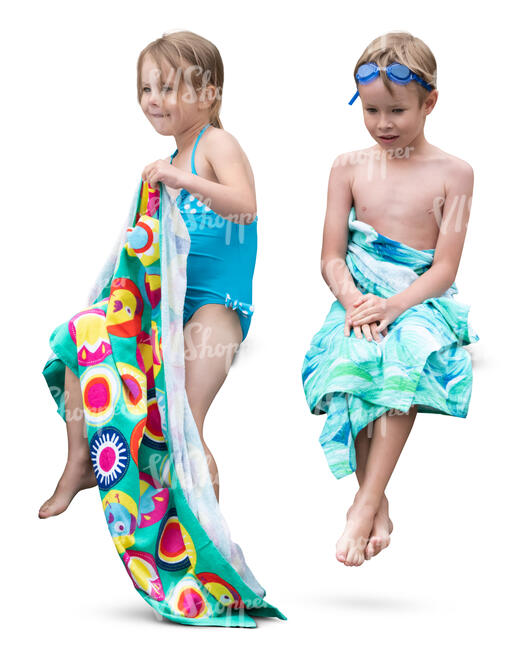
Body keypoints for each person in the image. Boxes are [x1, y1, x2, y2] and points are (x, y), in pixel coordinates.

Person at [39, 30, 257, 517]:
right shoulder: (171, 161)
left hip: (215, 303)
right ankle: (80, 459)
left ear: (209, 94)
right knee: (83, 333)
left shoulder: (215, 143)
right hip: (167, 303)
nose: (154, 101)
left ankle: (207, 547)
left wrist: (180, 177)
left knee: (182, 423)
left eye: (169, 88)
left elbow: (245, 207)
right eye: (146, 89)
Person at [301, 31, 479, 568]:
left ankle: (363, 506)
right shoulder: (347, 167)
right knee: (350, 358)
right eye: (371, 110)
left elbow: (445, 268)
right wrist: (355, 300)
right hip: (360, 294)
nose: (383, 123)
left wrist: (396, 305)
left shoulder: (455, 174)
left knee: (403, 355)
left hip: (420, 297)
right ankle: (374, 501)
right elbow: (331, 256)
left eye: (397, 110)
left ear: (430, 103)